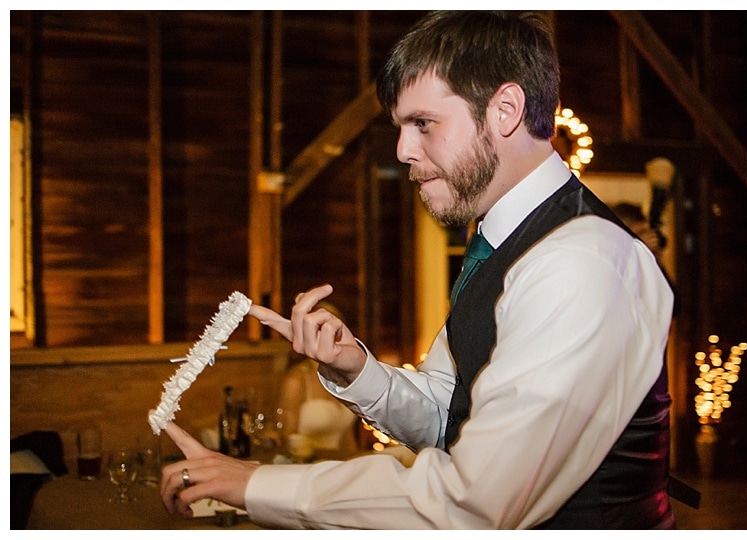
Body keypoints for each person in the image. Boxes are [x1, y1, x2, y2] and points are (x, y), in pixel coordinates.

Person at [158, 11, 675, 529]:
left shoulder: (580, 263)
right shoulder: (501, 244)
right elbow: (450, 415)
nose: (404, 151)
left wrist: (256, 483)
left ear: (506, 110)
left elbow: (472, 503)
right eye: (401, 128)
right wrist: (356, 370)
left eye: (423, 123)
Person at [276, 301, 360, 459]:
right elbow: (287, 441)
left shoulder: (345, 377)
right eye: (322, 328)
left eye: (336, 328)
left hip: (340, 466)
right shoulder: (296, 380)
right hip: (306, 466)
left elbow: (347, 439)